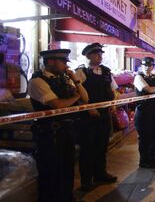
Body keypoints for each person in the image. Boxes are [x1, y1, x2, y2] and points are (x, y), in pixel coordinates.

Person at [27, 49, 89, 201]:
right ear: (50, 62)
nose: (66, 66)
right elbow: (58, 105)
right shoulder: (37, 81)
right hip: (49, 134)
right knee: (51, 171)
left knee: (67, 169)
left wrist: (75, 79)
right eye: (63, 62)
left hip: (67, 131)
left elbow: (85, 98)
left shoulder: (64, 79)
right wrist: (75, 96)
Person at [75, 43, 118, 191]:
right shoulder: (81, 72)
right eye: (96, 54)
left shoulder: (106, 72)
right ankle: (86, 180)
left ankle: (100, 173)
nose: (100, 56)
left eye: (101, 54)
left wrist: (113, 104)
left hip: (105, 115)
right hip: (88, 117)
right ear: (88, 56)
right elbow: (76, 93)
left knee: (102, 146)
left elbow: (113, 91)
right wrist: (89, 108)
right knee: (88, 148)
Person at [134, 57, 155, 168]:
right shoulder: (138, 77)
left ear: (153, 67)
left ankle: (153, 158)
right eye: (144, 65)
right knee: (144, 137)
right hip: (143, 111)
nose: (147, 67)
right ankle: (144, 161)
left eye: (149, 65)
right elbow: (149, 90)